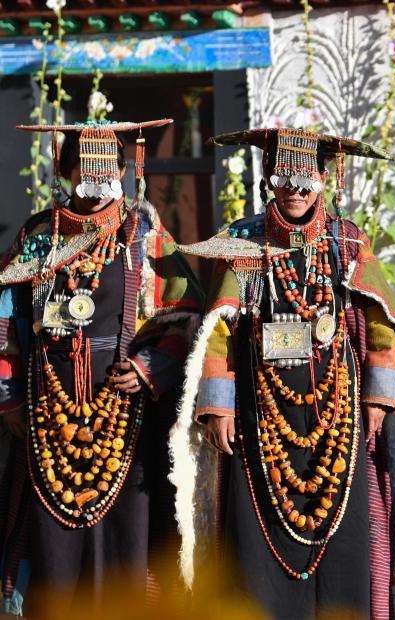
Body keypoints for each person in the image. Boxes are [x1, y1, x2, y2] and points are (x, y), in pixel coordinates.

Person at [170, 127, 395, 619]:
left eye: (306, 179)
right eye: (285, 177)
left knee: (342, 530)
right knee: (257, 533)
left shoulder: (347, 241)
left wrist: (378, 396)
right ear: (269, 178)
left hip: (337, 415)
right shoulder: (242, 241)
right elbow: (219, 331)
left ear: (324, 180)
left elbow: (381, 324)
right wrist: (217, 404)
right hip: (261, 417)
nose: (296, 190)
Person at [0, 120, 203, 615]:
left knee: (126, 539)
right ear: (66, 171)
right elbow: (6, 318)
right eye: (83, 170)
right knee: (52, 544)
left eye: (106, 170)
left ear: (121, 171)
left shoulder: (144, 236)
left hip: (123, 416)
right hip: (48, 417)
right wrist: (8, 395)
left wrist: (150, 367)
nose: (95, 182)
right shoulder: (38, 237)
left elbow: (187, 317)